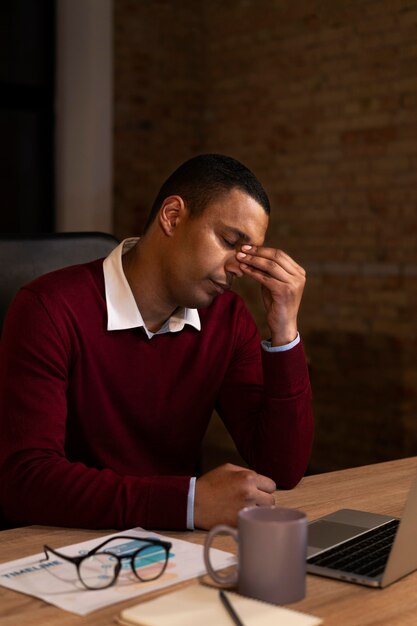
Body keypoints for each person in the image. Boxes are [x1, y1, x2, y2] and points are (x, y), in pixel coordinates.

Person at [0, 154, 313, 531]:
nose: (238, 268)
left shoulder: (228, 319)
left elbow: (282, 468)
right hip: (60, 545)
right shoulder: (48, 307)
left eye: (248, 254)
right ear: (173, 216)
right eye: (229, 241)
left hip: (172, 545)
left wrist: (285, 333)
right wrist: (190, 503)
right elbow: (25, 480)